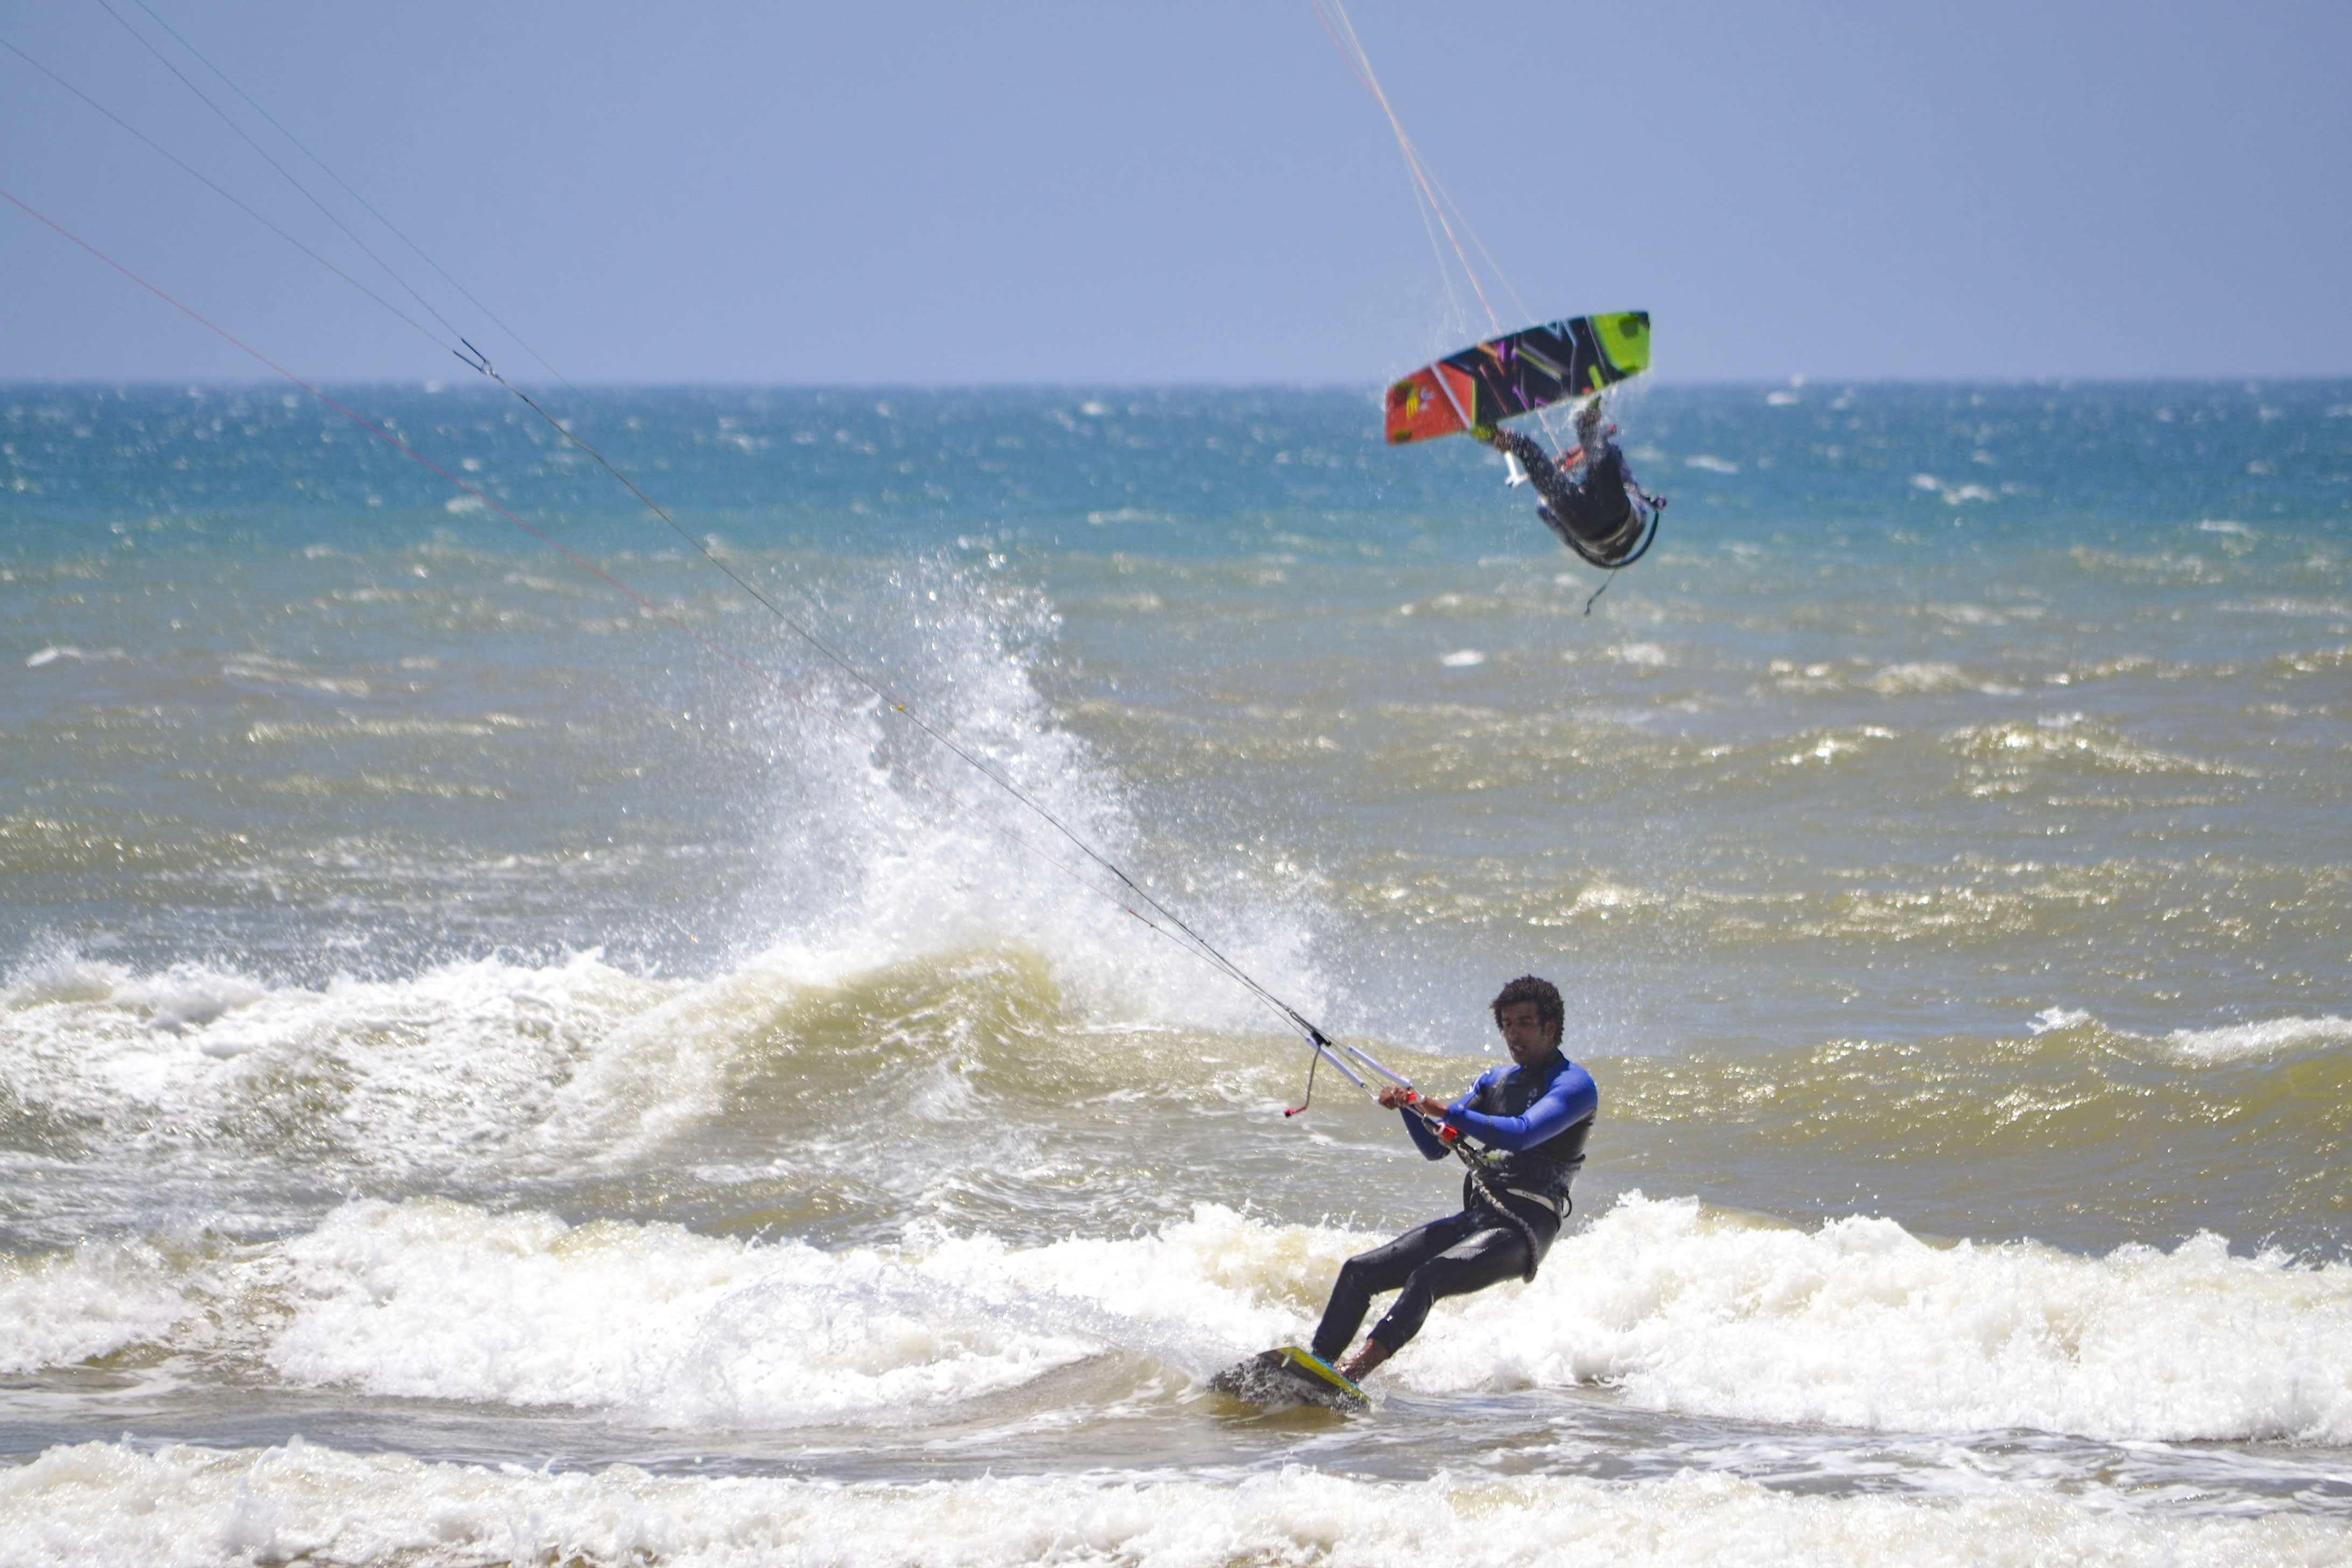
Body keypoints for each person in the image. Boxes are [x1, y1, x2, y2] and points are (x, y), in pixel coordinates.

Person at [1309, 975, 1598, 1382]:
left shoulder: (1574, 1086)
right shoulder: (1495, 1081)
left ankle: (1349, 1376)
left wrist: (1441, 1109)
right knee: (1359, 1272)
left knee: (1430, 1276)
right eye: (1507, 1024)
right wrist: (1411, 1108)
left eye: (1525, 1023)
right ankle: (1311, 1370)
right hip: (1479, 1219)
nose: (1513, 1034)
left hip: (1523, 1229)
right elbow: (1436, 1147)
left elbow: (1522, 1131)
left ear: (1551, 1028)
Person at [1474, 400, 1657, 564]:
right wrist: (1560, 473)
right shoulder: (1629, 499)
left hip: (1601, 519)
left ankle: (1590, 411)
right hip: (1592, 524)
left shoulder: (1631, 507)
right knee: (1524, 447)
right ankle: (1489, 435)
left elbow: (1611, 453)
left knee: (1588, 433)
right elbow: (1545, 508)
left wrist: (1570, 464)